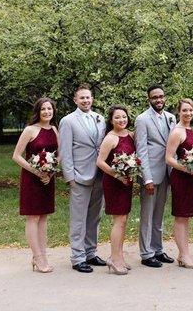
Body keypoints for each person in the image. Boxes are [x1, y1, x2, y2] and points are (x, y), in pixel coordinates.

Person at [59, 84, 107, 273]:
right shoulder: (68, 121)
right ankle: (77, 257)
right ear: (75, 100)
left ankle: (90, 253)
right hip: (79, 175)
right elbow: (65, 151)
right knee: (78, 218)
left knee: (95, 217)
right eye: (82, 98)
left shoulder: (100, 119)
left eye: (88, 97)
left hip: (99, 175)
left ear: (92, 99)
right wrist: (70, 176)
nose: (86, 100)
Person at [12, 97, 59, 273]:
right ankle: (37, 257)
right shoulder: (30, 130)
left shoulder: (54, 129)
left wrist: (51, 173)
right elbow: (16, 156)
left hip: (48, 178)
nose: (47, 112)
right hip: (32, 178)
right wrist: (37, 171)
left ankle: (42, 254)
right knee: (33, 217)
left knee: (44, 216)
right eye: (43, 109)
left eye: (50, 109)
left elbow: (59, 154)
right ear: (38, 112)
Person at [134, 85, 176, 268]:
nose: (158, 100)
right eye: (154, 97)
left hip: (167, 172)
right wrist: (147, 178)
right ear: (149, 99)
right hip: (151, 174)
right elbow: (142, 150)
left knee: (159, 214)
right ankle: (146, 253)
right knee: (147, 214)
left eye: (161, 96)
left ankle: (158, 249)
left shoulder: (170, 118)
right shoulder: (142, 119)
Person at [96, 105, 136, 275]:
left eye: (124, 117)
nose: (121, 120)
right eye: (117, 117)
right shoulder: (110, 138)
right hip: (114, 183)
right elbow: (100, 162)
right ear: (111, 120)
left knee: (124, 219)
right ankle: (114, 258)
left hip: (126, 182)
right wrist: (116, 174)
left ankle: (119, 256)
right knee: (118, 220)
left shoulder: (131, 135)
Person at [165, 99, 193, 269]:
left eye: (190, 110)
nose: (188, 113)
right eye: (184, 110)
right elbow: (168, 158)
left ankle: (183, 253)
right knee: (180, 216)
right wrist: (187, 170)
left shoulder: (190, 130)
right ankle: (184, 254)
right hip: (181, 178)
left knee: (186, 216)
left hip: (191, 179)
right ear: (178, 112)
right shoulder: (177, 132)